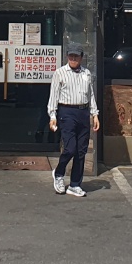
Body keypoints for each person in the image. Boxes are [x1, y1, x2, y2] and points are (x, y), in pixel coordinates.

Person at [47, 45, 99, 197]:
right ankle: (58, 173)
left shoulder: (86, 73)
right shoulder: (60, 73)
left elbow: (90, 94)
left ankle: (75, 184)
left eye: (76, 56)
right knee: (70, 148)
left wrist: (95, 114)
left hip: (83, 112)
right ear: (67, 56)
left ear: (81, 57)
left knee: (81, 151)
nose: (73, 59)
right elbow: (53, 95)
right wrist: (52, 116)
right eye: (71, 56)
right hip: (67, 112)